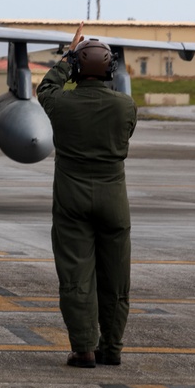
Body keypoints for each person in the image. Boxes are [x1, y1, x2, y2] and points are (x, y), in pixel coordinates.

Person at [36, 22, 137, 368]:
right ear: (110, 69)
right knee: (116, 279)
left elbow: (46, 86)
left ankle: (83, 349)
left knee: (77, 278)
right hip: (114, 201)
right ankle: (112, 349)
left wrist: (67, 55)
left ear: (77, 68)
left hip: (72, 201)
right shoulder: (125, 107)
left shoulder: (60, 104)